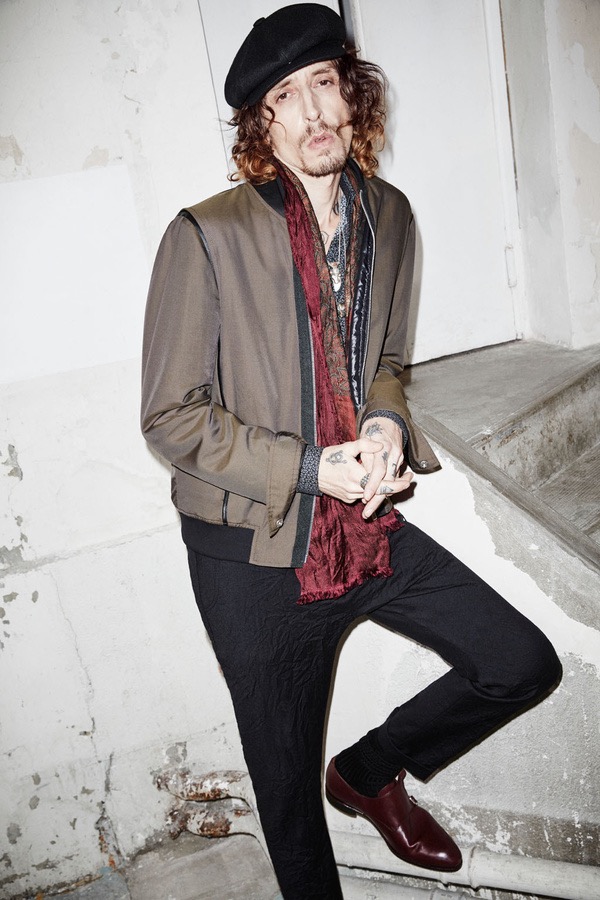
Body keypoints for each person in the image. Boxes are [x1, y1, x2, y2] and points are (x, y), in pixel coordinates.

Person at [141, 5, 561, 897]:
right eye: (284, 98)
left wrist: (383, 426)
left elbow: (389, 363)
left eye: (325, 83)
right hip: (252, 559)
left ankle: (368, 773)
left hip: (364, 532)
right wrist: (309, 466)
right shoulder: (206, 235)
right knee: (292, 820)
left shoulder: (391, 216)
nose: (312, 112)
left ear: (352, 92)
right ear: (260, 126)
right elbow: (171, 418)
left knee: (520, 662)